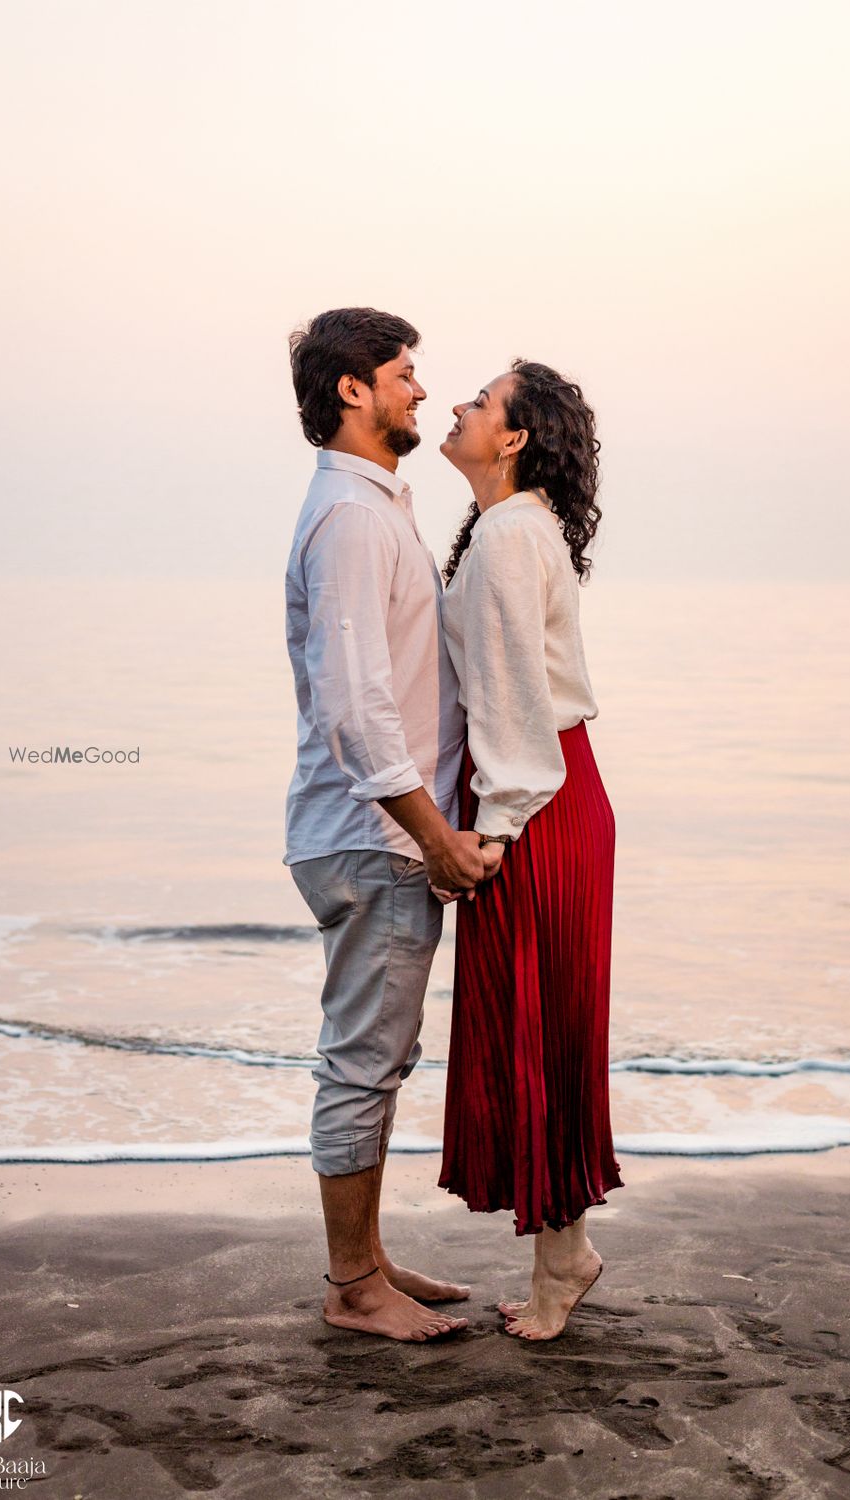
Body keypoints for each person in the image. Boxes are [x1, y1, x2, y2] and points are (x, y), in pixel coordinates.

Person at [284, 307, 484, 1342]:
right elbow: (355, 704)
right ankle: (352, 1287)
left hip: (374, 833)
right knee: (364, 1056)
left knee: (380, 1052)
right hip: (376, 839)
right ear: (353, 389)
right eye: (405, 373)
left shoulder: (369, 507)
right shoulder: (356, 518)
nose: (419, 391)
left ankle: (365, 1259)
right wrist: (436, 834)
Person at [434, 358, 624, 1340]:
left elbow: (511, 699)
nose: (458, 406)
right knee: (540, 1026)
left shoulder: (511, 531)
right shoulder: (509, 526)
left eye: (479, 399)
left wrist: (493, 829)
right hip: (552, 789)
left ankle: (562, 1270)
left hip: (536, 801)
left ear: (510, 438)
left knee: (543, 1029)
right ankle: (566, 1255)